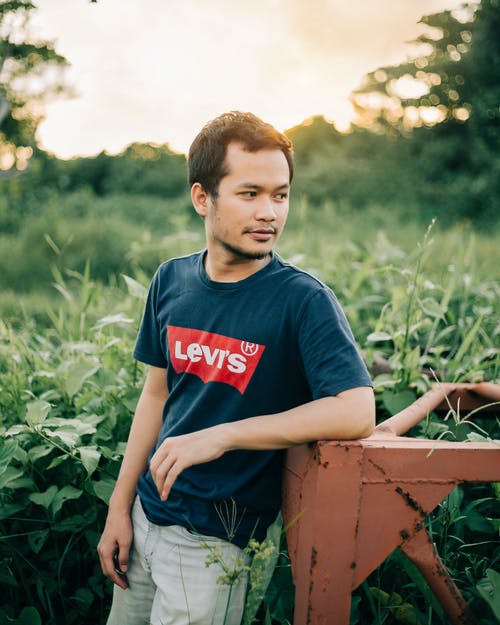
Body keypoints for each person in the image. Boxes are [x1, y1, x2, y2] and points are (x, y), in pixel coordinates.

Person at [97, 111, 375, 625]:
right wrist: (119, 508)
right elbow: (156, 396)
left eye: (280, 194)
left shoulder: (302, 300)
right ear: (203, 197)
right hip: (145, 516)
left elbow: (357, 410)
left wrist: (222, 435)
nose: (269, 212)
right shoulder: (171, 280)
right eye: (250, 194)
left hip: (216, 543)